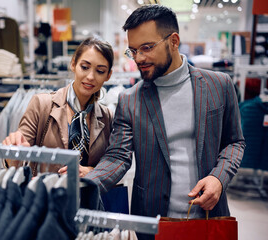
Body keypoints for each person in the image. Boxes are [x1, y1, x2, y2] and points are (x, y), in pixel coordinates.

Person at [85, 4, 245, 237]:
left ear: (174, 40)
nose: (139, 58)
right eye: (133, 50)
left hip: (209, 216)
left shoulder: (219, 85)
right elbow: (118, 157)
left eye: (147, 47)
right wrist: (88, 183)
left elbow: (234, 142)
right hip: (152, 222)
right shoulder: (130, 100)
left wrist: (218, 178)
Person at [3, 37, 114, 177]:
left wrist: (91, 171)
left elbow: (111, 164)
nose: (91, 76)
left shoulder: (107, 117)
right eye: (85, 67)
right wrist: (13, 153)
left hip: (87, 197)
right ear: (73, 64)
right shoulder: (41, 104)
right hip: (46, 195)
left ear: (108, 75)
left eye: (100, 71)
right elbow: (16, 158)